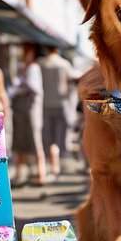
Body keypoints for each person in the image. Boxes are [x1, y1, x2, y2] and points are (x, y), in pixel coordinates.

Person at [9, 43, 47, 186]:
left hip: (30, 110)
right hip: (24, 110)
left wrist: (19, 87)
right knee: (20, 143)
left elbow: (33, 87)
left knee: (34, 142)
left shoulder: (33, 68)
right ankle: (20, 174)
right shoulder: (26, 68)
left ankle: (40, 174)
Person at [39, 45, 79, 178]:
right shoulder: (64, 64)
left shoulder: (41, 64)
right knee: (60, 136)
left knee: (48, 137)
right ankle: (59, 165)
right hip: (61, 104)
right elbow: (74, 78)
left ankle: (52, 166)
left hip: (44, 104)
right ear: (57, 49)